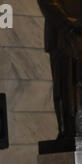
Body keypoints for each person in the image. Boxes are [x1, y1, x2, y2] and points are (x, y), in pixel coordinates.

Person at [38, 0, 82, 138]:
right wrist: (73, 22)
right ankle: (69, 130)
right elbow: (48, 3)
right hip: (63, 36)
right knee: (66, 86)